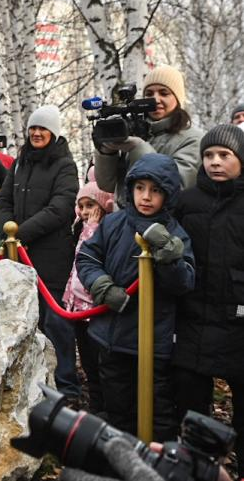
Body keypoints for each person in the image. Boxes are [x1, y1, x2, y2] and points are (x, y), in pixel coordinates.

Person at [76, 153, 195, 441]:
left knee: (158, 415)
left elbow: (184, 283)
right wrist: (103, 287)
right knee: (118, 412)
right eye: (140, 188)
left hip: (153, 343)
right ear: (130, 189)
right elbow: (88, 258)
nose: (146, 197)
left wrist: (170, 259)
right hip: (113, 337)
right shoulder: (113, 224)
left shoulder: (176, 233)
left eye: (155, 190)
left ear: (168, 194)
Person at [0, 105, 80, 402]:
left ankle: (66, 388)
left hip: (52, 257)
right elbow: (3, 200)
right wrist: (8, 230)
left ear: (53, 132)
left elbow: (61, 208)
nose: (36, 133)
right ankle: (33, 385)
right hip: (18, 255)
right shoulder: (21, 163)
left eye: (42, 128)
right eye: (33, 127)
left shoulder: (65, 165)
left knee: (56, 323)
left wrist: (20, 233)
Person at [172, 125, 244, 468]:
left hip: (238, 319)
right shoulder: (187, 202)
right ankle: (198, 469)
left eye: (224, 155)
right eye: (208, 155)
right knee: (190, 400)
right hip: (193, 316)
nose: (215, 161)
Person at [94, 65, 204, 207]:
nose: (156, 99)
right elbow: (107, 185)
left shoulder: (193, 139)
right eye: (149, 94)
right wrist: (107, 152)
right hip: (124, 217)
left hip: (167, 219)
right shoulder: (132, 131)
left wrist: (138, 148)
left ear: (178, 99)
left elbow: (178, 184)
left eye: (164, 93)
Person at [62, 174, 115, 412]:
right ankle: (95, 404)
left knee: (100, 361)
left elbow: (90, 255)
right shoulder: (80, 228)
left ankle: (105, 406)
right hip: (78, 308)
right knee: (87, 362)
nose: (84, 212)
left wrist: (92, 227)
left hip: (94, 308)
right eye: (81, 206)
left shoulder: (103, 230)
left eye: (90, 205)